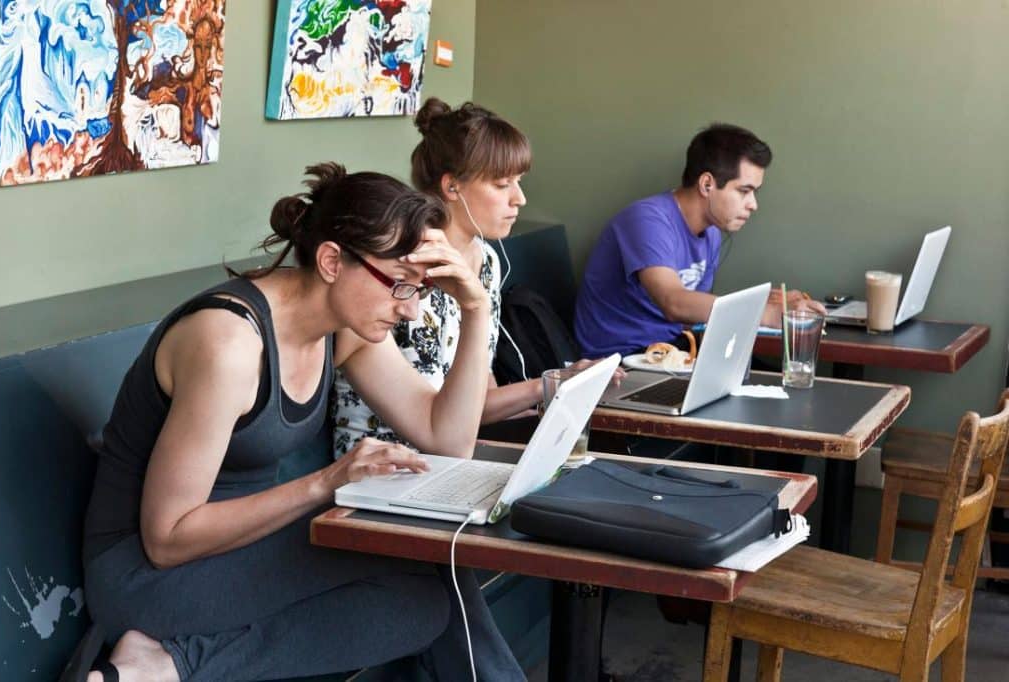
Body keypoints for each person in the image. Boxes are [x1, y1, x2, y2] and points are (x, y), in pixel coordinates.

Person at [78, 164, 525, 681]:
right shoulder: (229, 346)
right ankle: (161, 661)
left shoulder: (343, 329)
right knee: (431, 566)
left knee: (420, 607)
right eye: (401, 286)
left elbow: (447, 437)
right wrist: (326, 483)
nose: (411, 311)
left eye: (422, 289)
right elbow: (168, 538)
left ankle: (168, 664)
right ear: (333, 260)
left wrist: (475, 306)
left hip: (239, 551)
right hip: (148, 576)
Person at [333, 98, 617, 458]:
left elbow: (475, 401)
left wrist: (559, 383)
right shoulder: (402, 266)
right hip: (384, 463)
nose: (520, 199)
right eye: (502, 185)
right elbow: (441, 417)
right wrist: (545, 387)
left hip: (452, 453)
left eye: (519, 182)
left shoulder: (486, 262)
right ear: (452, 188)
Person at [574, 123, 826, 358]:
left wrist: (762, 302)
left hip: (674, 354)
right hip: (622, 361)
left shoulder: (712, 232)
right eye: (744, 191)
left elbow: (690, 315)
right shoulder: (648, 219)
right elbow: (674, 303)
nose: (753, 205)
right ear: (707, 184)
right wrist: (767, 314)